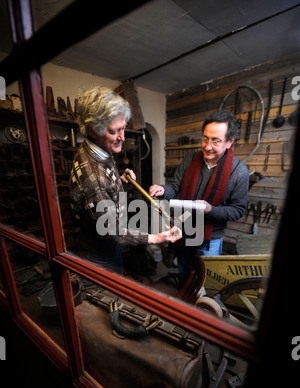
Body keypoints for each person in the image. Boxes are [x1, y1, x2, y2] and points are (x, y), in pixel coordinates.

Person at [70, 86, 181, 274]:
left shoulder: (96, 148)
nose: (122, 137)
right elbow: (115, 234)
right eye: (115, 131)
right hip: (100, 253)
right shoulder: (94, 180)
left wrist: (117, 180)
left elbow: (101, 183)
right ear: (92, 130)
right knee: (111, 299)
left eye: (123, 128)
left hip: (104, 241)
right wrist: (156, 238)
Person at [149, 109, 249, 287]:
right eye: (205, 138)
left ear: (230, 142)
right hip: (184, 232)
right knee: (183, 278)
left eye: (215, 141)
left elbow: (238, 210)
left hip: (210, 239)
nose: (207, 146)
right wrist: (162, 190)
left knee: (205, 286)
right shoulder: (190, 160)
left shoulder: (239, 171)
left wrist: (211, 210)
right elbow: (175, 187)